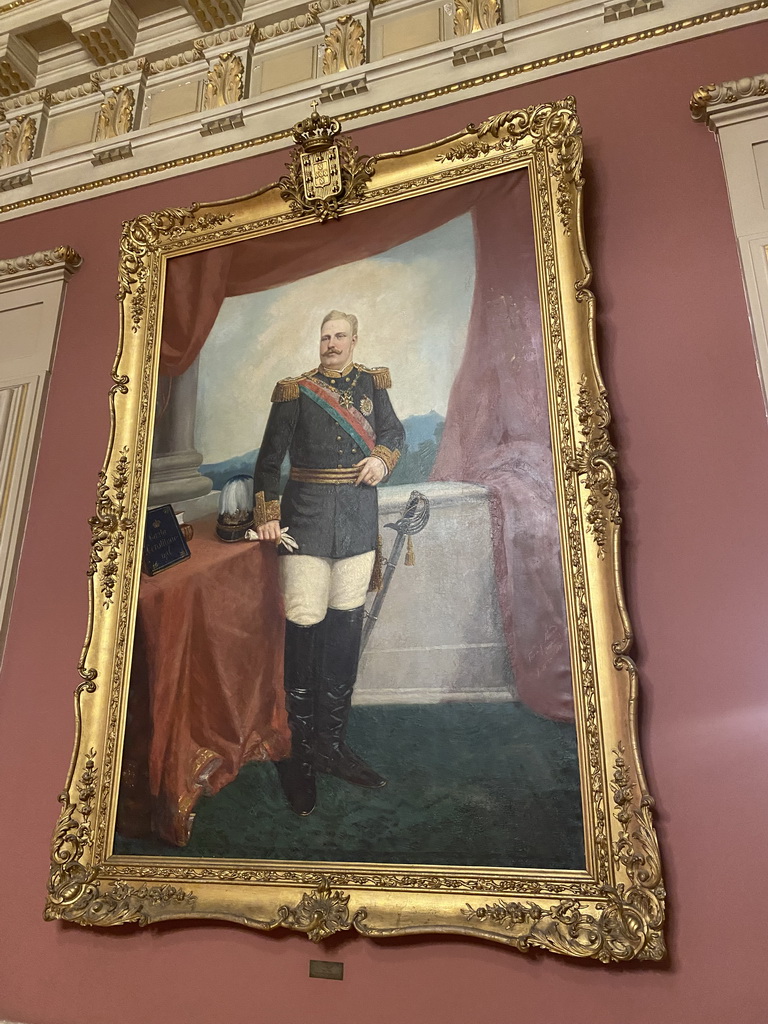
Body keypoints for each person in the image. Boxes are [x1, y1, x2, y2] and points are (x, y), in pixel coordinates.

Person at [253, 310, 405, 816]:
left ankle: (332, 747)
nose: (331, 344)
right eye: (324, 337)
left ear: (354, 340)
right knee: (305, 630)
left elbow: (394, 434)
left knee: (343, 632)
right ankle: (299, 754)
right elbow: (269, 461)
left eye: (340, 336)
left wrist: (382, 459)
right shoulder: (295, 391)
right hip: (307, 526)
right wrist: (269, 514)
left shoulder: (372, 385)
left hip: (358, 527)